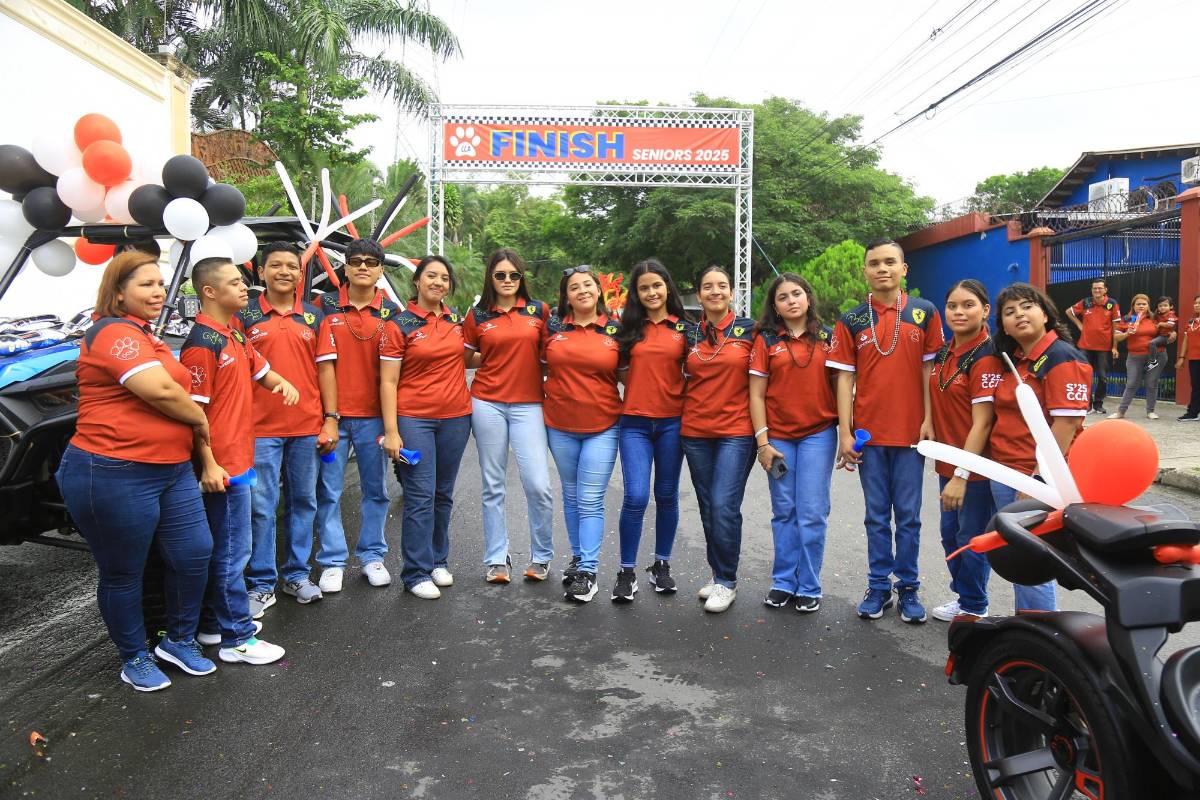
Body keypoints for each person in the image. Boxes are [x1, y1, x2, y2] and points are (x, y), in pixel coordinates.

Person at [56, 250, 215, 691]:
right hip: (112, 470)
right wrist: (200, 420)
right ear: (118, 292)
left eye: (160, 284)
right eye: (146, 284)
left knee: (194, 554)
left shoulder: (146, 334)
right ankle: (134, 657)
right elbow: (160, 390)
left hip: (171, 470)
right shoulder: (110, 332)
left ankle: (178, 640)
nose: (159, 291)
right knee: (124, 571)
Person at [181, 257, 297, 666]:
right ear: (209, 291)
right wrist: (209, 464)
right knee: (233, 553)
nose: (244, 287)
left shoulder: (233, 334)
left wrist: (281, 382)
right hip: (222, 467)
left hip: (240, 459)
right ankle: (238, 638)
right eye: (234, 282)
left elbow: (261, 370)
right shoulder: (202, 344)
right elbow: (193, 414)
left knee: (227, 549)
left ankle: (214, 623)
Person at [828, 238, 943, 624]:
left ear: (903, 269)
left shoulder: (925, 313)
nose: (882, 268)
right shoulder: (851, 320)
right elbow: (845, 379)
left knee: (908, 516)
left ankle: (908, 586)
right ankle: (878, 585)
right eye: (874, 263)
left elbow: (929, 371)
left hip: (911, 434)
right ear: (865, 270)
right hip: (869, 436)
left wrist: (929, 420)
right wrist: (845, 432)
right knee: (876, 516)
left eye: (890, 262)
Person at [237, 242, 338, 616]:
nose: (284, 272)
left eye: (292, 266)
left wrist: (331, 418)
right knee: (261, 507)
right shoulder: (244, 317)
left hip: (306, 426)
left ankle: (296, 575)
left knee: (304, 502)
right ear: (261, 272)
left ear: (300, 274)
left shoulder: (314, 317)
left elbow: (325, 370)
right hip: (259, 428)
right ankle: (262, 583)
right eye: (275, 265)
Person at [989, 282, 1091, 612]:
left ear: (1045, 314)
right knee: (1019, 557)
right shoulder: (1018, 361)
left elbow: (1066, 424)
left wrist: (1039, 479)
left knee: (1031, 557)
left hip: (1031, 477)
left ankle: (1041, 629)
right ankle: (1029, 625)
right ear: (1004, 326)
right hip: (1006, 471)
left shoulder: (1061, 357)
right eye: (1010, 312)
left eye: (1027, 306)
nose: (1019, 314)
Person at [380, 256, 472, 600]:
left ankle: (437, 561)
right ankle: (415, 572)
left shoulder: (456, 321)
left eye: (444, 278)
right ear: (417, 281)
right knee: (420, 495)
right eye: (431, 276)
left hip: (456, 418)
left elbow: (469, 358)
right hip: (414, 419)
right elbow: (388, 381)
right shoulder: (399, 324)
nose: (438, 282)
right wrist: (392, 431)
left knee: (443, 493)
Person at [463, 249, 554, 584]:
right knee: (493, 484)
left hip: (529, 404)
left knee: (538, 484)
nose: (507, 280)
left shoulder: (538, 310)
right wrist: (492, 359)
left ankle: (541, 556)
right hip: (487, 403)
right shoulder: (477, 315)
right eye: (500, 275)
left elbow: (550, 355)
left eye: (513, 275)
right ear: (490, 277)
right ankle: (497, 558)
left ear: (521, 278)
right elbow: (466, 358)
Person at [748, 273, 837, 614]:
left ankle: (809, 585)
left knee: (812, 513)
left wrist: (848, 433)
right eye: (782, 297)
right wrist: (762, 442)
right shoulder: (766, 340)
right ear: (775, 306)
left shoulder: (829, 337)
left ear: (808, 298)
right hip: (779, 438)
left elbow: (844, 386)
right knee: (784, 511)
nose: (791, 301)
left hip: (818, 435)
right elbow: (756, 395)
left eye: (796, 294)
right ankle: (784, 582)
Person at [314, 238, 399, 591]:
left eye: (371, 262)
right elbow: (319, 363)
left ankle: (372, 556)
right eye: (356, 261)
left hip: (373, 418)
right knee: (328, 491)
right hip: (332, 417)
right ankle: (332, 560)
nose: (363, 266)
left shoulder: (391, 312)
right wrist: (329, 415)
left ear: (380, 271)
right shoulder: (323, 306)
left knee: (376, 490)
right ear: (345, 268)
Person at [543, 266, 621, 603]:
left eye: (588, 284)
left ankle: (588, 571)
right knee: (572, 495)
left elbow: (630, 374)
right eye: (574, 287)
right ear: (566, 296)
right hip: (559, 425)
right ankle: (577, 558)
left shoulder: (616, 330)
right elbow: (536, 365)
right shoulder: (553, 328)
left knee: (590, 498)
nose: (582, 291)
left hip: (603, 425)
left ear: (598, 290)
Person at [611, 259, 688, 603]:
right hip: (635, 424)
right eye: (644, 288)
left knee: (667, 495)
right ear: (636, 293)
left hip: (673, 422)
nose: (651, 292)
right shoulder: (627, 330)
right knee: (636, 496)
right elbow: (619, 371)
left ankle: (661, 565)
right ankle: (626, 572)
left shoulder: (686, 329)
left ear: (667, 287)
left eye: (657, 285)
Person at [681, 264, 756, 614]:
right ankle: (717, 573)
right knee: (708, 506)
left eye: (722, 285)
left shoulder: (751, 330)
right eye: (708, 286)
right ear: (699, 295)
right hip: (695, 431)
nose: (715, 291)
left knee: (724, 505)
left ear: (732, 292)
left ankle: (727, 580)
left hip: (736, 432)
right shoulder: (688, 333)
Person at [927, 280, 1000, 622]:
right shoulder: (946, 351)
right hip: (948, 461)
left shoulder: (987, 357)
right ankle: (965, 597)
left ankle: (974, 605)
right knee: (950, 535)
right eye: (952, 305)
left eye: (968, 305)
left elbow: (982, 424)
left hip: (975, 468)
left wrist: (961, 475)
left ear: (985, 310)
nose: (958, 312)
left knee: (971, 538)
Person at [1110, 293, 1168, 420]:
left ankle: (1150, 411)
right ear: (1133, 306)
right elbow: (1116, 336)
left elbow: (1167, 333)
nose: (1141, 306)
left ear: (1148, 306)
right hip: (1134, 357)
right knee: (1131, 383)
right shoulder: (1127, 319)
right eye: (1138, 304)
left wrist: (1172, 335)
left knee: (1151, 383)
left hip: (1155, 356)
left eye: (1144, 304)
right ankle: (1120, 412)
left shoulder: (1155, 318)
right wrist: (1127, 333)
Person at [1067, 278, 1119, 415]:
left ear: (1105, 290)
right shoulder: (1086, 302)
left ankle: (1098, 404)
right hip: (1085, 346)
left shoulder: (1112, 304)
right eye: (1094, 288)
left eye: (1100, 288)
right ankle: (1087, 405)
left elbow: (1116, 327)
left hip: (1104, 348)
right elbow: (1069, 312)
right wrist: (1079, 324)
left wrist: (1114, 347)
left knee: (1102, 377)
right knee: (1084, 376)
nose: (1097, 290)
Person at [1175, 295, 1200, 422]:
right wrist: (1181, 357)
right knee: (1196, 386)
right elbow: (1186, 340)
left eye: (1199, 303)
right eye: (1195, 303)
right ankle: (1193, 413)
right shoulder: (1191, 322)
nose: (1197, 305)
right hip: (1194, 358)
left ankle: (1193, 411)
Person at [1147, 296, 1178, 371]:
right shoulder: (1157, 315)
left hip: (1165, 336)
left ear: (1171, 307)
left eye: (1165, 305)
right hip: (1160, 336)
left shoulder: (1171, 314)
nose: (1162, 307)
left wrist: (1161, 324)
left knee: (1152, 343)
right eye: (1160, 306)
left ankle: (1153, 361)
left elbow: (1171, 325)